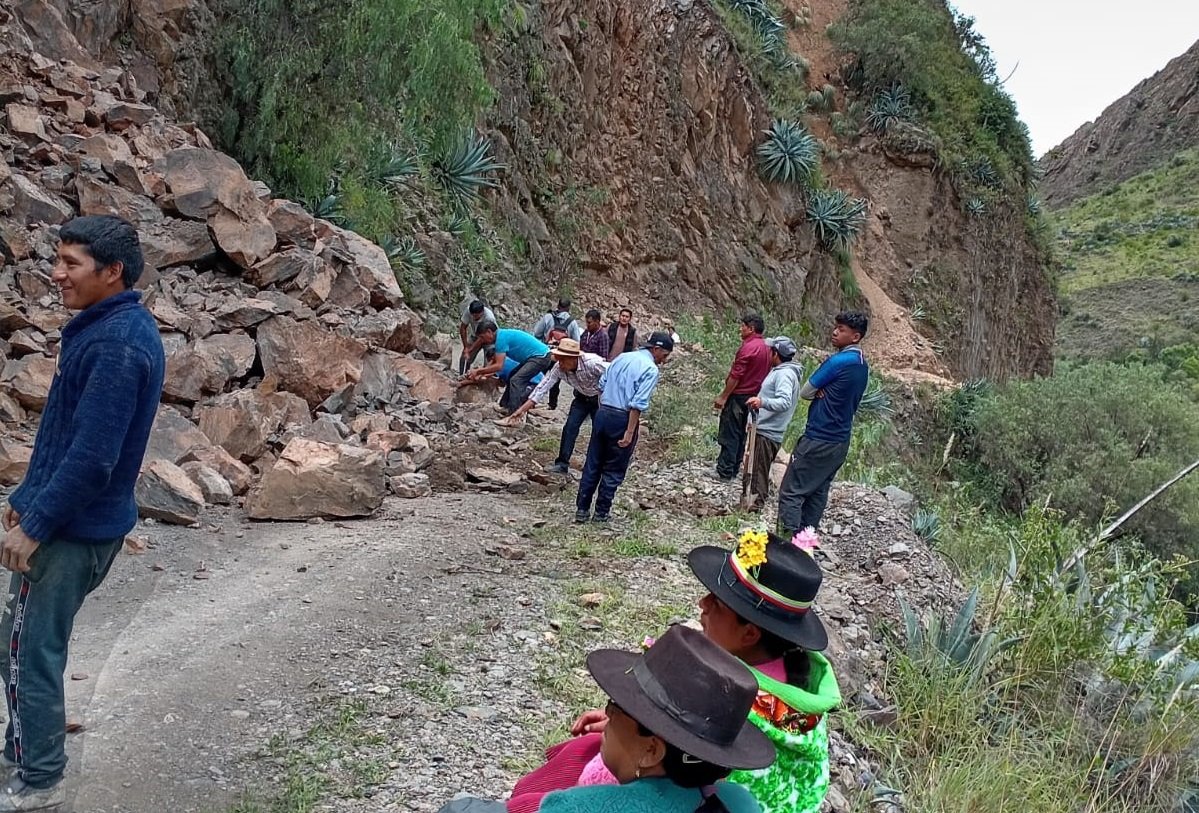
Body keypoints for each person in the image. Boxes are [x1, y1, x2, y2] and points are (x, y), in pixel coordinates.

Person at [0, 215, 165, 811]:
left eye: (71, 263)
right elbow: (66, 438)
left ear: (112, 271)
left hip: (73, 532)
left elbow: (94, 458)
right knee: (15, 646)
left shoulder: (118, 344)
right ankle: (25, 748)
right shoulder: (103, 330)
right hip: (67, 522)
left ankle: (38, 779)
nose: (56, 273)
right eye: (57, 259)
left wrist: (39, 524)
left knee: (31, 651)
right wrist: (26, 500)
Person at [508, 532, 840, 813]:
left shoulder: (737, 705)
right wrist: (628, 722)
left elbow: (672, 786)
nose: (702, 603)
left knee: (565, 770)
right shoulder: (796, 685)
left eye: (717, 603)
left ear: (750, 633)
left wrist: (627, 735)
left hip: (677, 789)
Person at [528, 625, 773, 813]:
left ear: (651, 750)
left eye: (616, 707)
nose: (609, 714)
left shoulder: (572, 808)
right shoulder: (739, 802)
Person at [777, 312, 869, 538]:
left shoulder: (838, 361)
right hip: (839, 441)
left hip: (818, 436)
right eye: (835, 327)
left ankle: (783, 545)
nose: (835, 332)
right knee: (817, 493)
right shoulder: (862, 365)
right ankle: (803, 547)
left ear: (855, 336)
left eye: (842, 329)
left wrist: (821, 391)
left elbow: (806, 392)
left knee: (792, 491)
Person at [575, 332, 672, 523]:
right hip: (622, 417)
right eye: (665, 355)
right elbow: (637, 404)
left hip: (603, 413)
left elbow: (601, 386)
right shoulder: (650, 369)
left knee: (593, 462)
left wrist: (603, 410)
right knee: (614, 466)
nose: (664, 360)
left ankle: (582, 509)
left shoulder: (622, 358)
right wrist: (629, 431)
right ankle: (601, 512)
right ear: (656, 349)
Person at [504, 340, 608, 475]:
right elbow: (542, 387)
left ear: (573, 358)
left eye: (563, 360)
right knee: (570, 428)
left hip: (600, 398)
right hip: (581, 398)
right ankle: (562, 464)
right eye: (559, 359)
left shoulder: (592, 363)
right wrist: (521, 410)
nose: (560, 363)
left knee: (600, 432)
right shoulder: (559, 367)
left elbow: (615, 373)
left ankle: (600, 465)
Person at [743, 338, 803, 510]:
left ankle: (753, 508)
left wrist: (762, 402)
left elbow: (784, 402)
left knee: (757, 471)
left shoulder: (784, 374)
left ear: (775, 354)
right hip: (765, 429)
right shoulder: (783, 372)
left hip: (767, 431)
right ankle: (749, 504)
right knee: (754, 469)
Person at [714, 314, 771, 482]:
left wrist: (724, 396)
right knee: (742, 434)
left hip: (739, 396)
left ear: (751, 328)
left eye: (743, 326)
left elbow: (736, 375)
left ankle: (724, 471)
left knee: (730, 433)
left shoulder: (748, 348)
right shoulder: (767, 348)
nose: (741, 329)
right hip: (754, 397)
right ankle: (734, 468)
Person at [464, 323, 552, 415]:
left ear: (489, 332)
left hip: (541, 356)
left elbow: (498, 366)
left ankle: (513, 414)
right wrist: (480, 372)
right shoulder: (502, 336)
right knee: (512, 376)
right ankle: (505, 406)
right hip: (537, 356)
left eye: (482, 337)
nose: (482, 340)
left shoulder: (500, 340)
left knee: (516, 380)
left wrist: (477, 371)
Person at [459, 298, 497, 374]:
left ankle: (484, 378)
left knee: (489, 361)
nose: (473, 317)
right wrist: (466, 347)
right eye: (472, 315)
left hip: (489, 339)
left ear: (482, 312)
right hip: (475, 335)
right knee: (464, 357)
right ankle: (462, 375)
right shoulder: (469, 310)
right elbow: (463, 328)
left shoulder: (489, 317)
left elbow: (482, 339)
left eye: (476, 316)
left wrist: (470, 349)